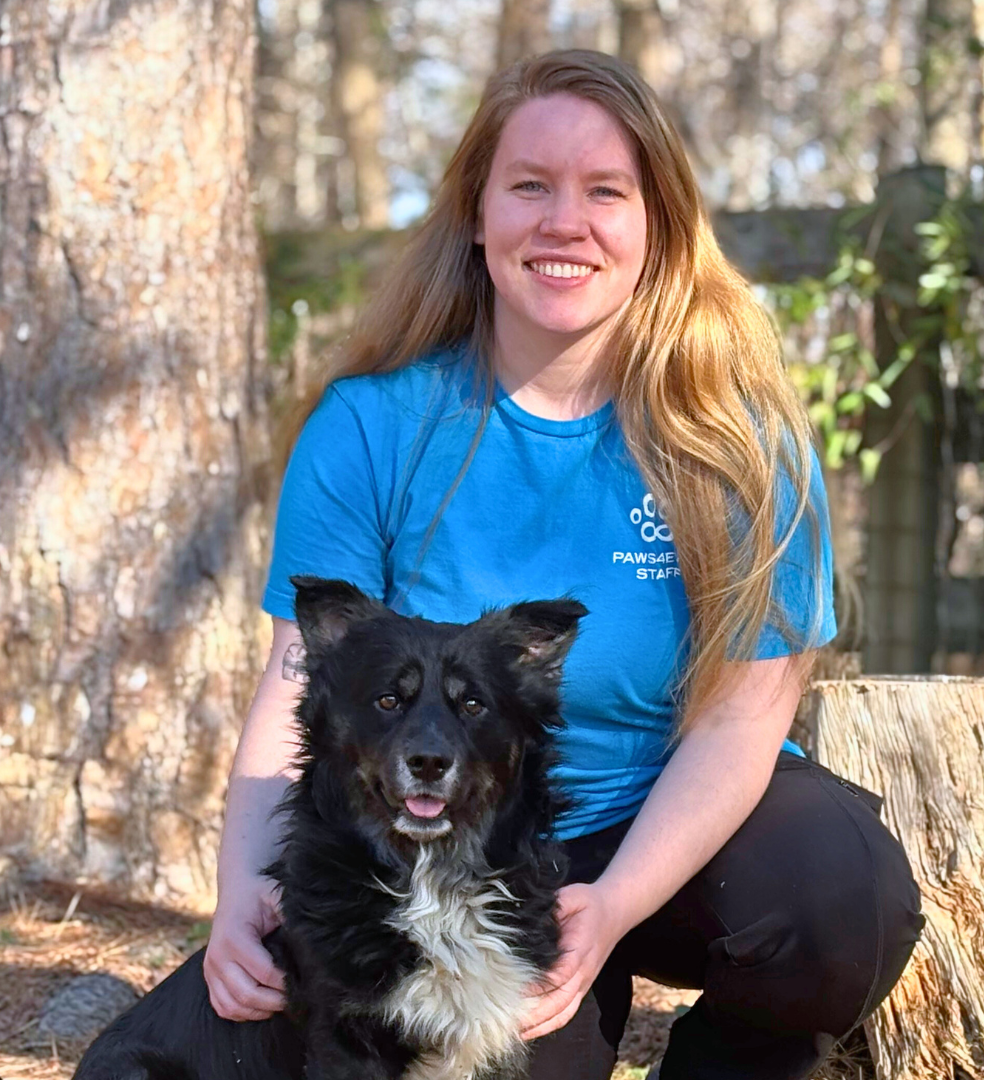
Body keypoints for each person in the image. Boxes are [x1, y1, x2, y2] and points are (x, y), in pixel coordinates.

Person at [204, 49, 923, 1080]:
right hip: (454, 855)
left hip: (678, 825)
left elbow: (745, 718)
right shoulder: (370, 425)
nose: (564, 223)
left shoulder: (738, 440)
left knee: (839, 905)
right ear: (477, 213)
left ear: (658, 223)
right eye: (530, 186)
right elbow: (299, 689)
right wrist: (242, 889)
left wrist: (615, 902)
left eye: (605, 192)